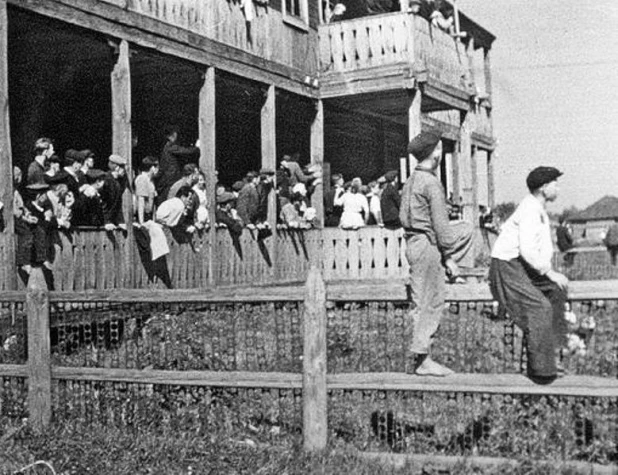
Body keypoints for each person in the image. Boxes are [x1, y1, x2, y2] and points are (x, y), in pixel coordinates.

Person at [400, 129, 474, 377]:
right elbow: (442, 230)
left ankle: (422, 357)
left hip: (413, 244)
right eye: (441, 148)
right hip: (428, 247)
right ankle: (423, 360)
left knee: (422, 298)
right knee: (430, 301)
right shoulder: (432, 183)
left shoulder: (410, 181)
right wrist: (450, 253)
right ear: (436, 154)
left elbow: (402, 217)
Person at [489, 166, 569, 384]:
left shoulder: (538, 208)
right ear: (544, 188)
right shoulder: (530, 209)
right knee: (539, 308)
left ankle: (554, 353)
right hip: (506, 266)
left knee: (555, 291)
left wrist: (550, 277)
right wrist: (548, 271)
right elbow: (528, 249)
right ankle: (542, 372)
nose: (558, 188)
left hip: (522, 265)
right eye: (555, 183)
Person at [156, 125, 200, 205]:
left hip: (169, 177)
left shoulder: (167, 146)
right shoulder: (170, 146)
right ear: (173, 134)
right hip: (170, 178)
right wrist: (197, 148)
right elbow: (185, 151)